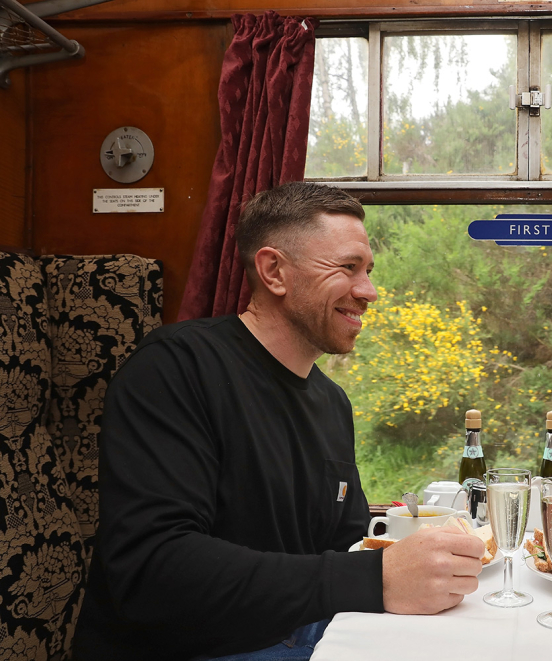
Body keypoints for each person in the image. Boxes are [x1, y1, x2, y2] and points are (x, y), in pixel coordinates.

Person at [73, 182, 485, 661]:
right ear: (273, 271)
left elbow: (345, 542)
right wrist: (375, 578)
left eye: (369, 271)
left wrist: (421, 554)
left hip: (307, 632)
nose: (369, 291)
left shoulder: (332, 402)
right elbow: (153, 570)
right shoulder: (175, 368)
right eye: (348, 268)